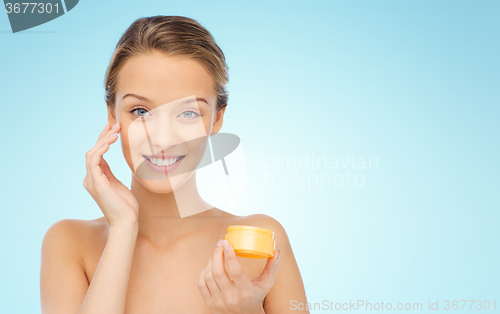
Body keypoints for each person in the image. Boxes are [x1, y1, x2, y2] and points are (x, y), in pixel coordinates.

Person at [40, 15, 309, 314]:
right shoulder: (69, 244)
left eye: (189, 113)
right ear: (113, 114)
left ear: (217, 118)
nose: (163, 139)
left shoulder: (259, 241)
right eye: (141, 111)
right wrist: (123, 228)